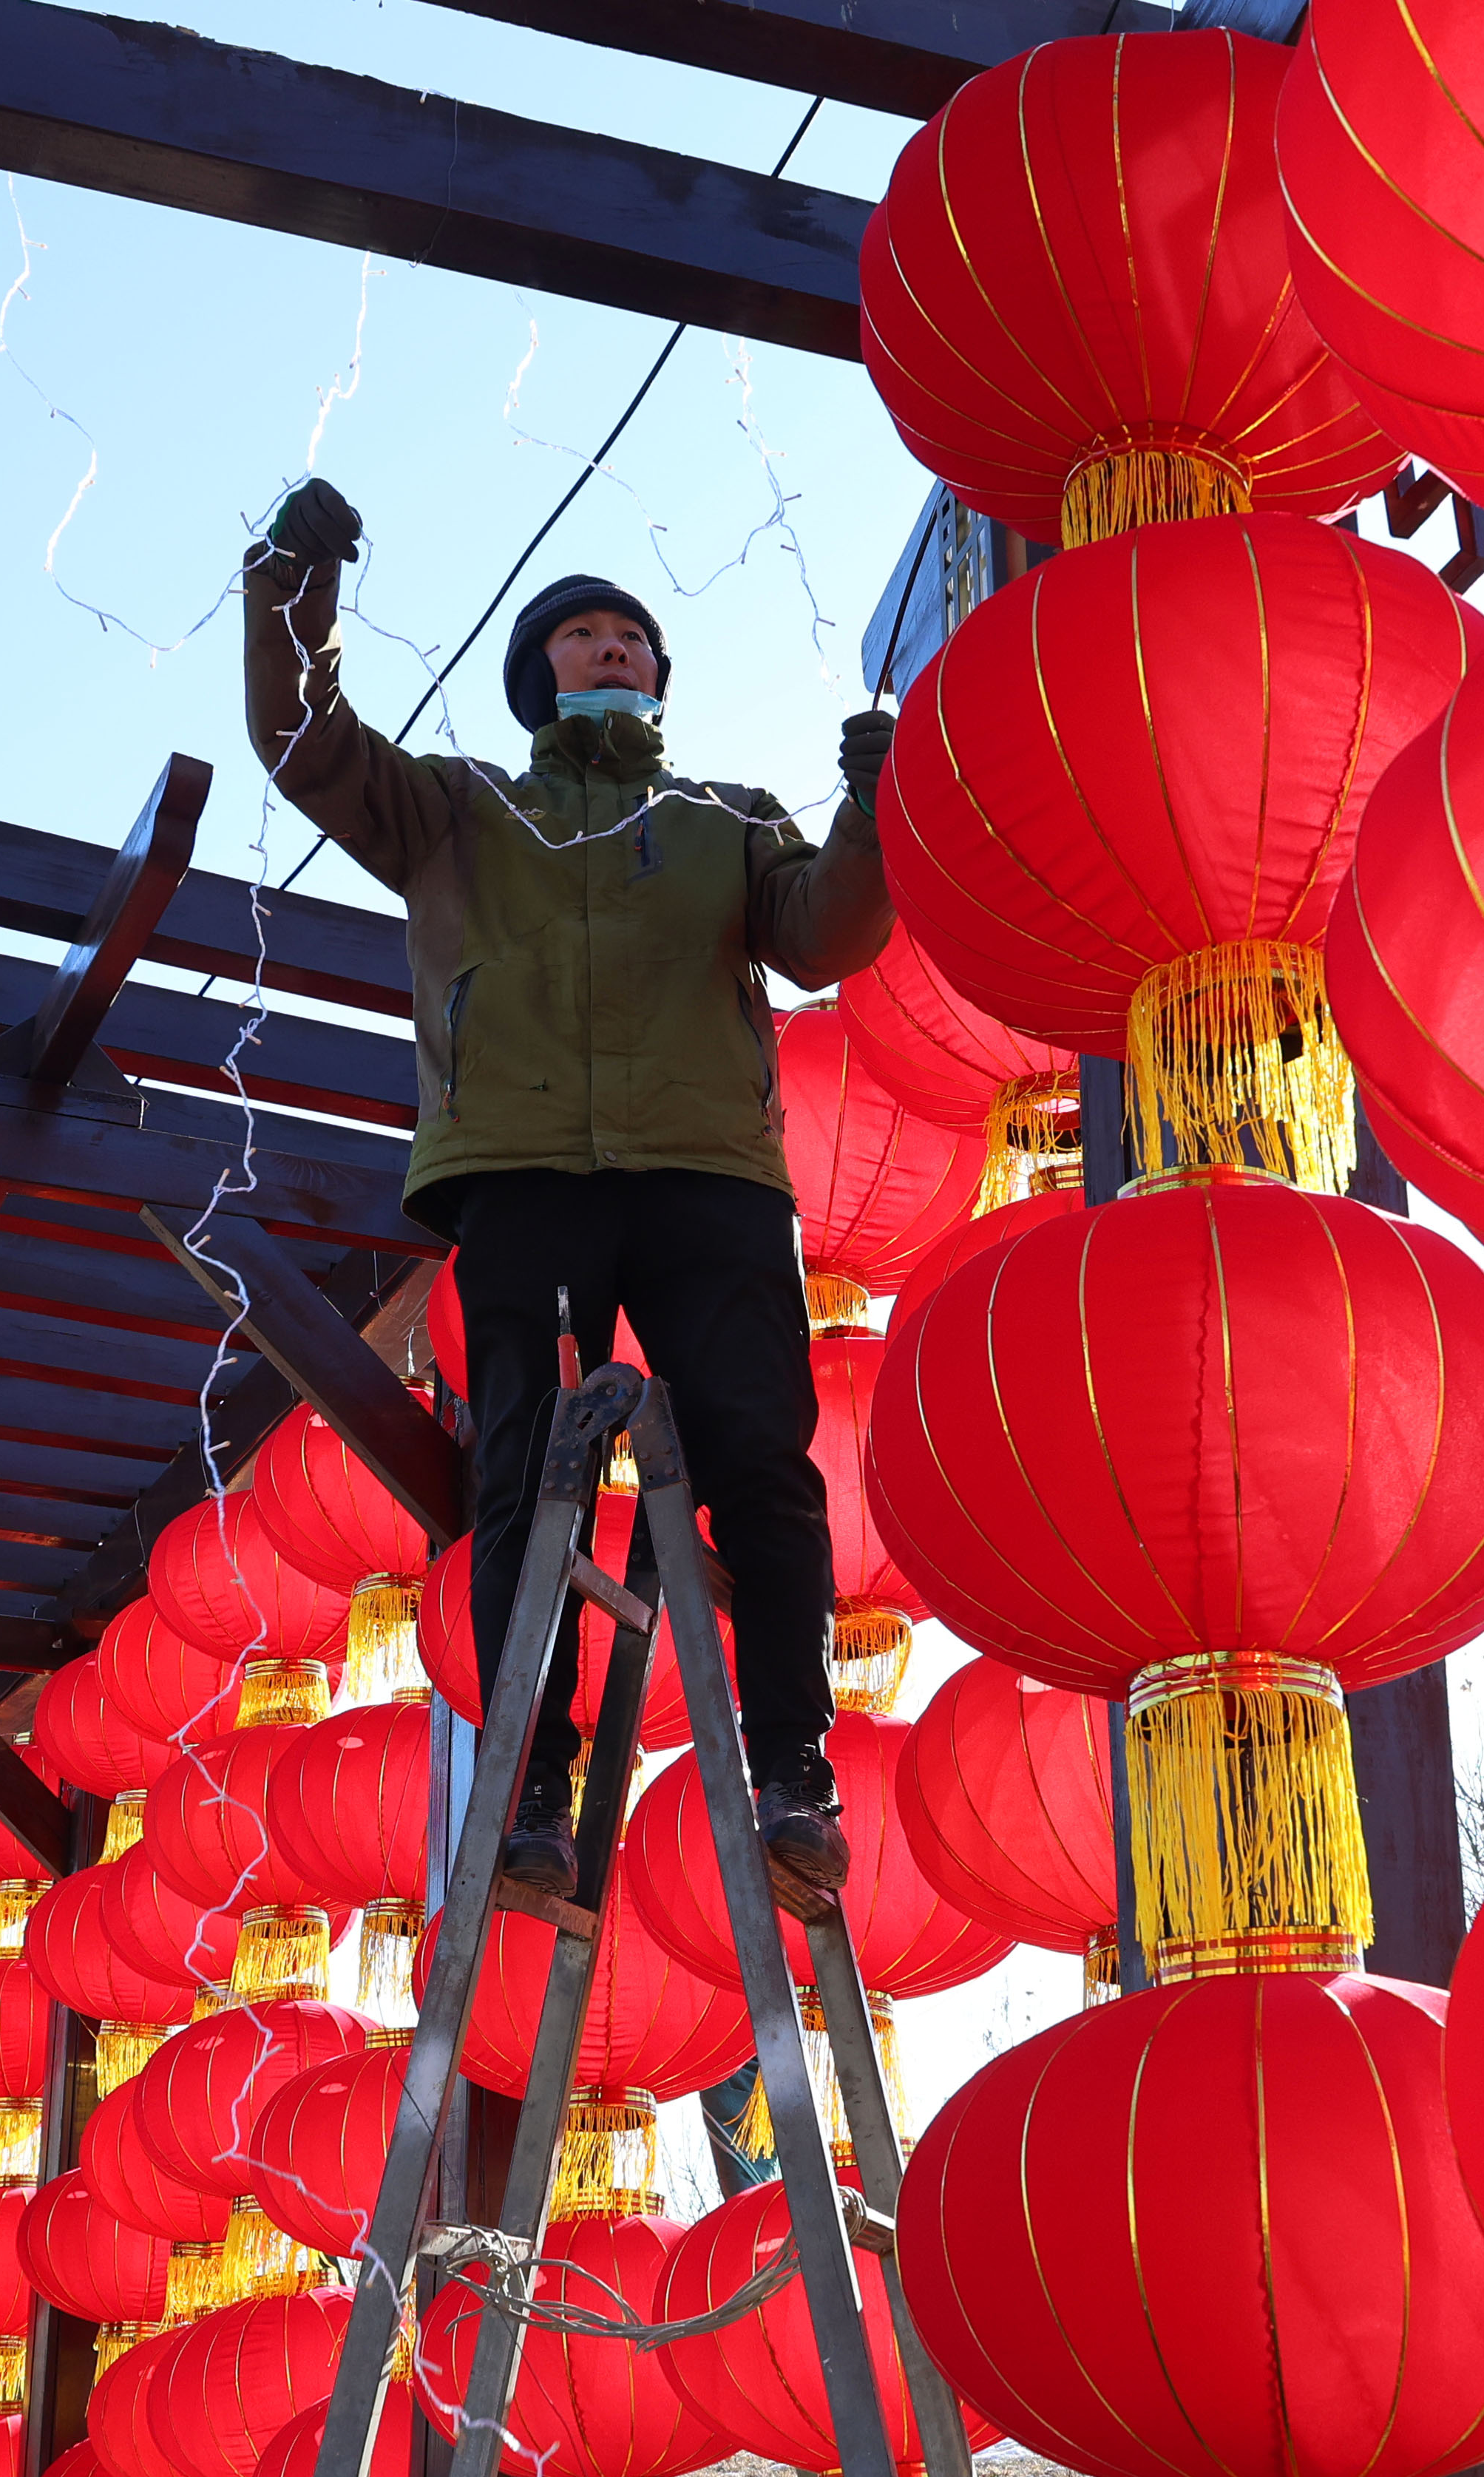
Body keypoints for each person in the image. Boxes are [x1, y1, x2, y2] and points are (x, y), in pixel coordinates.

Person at [241, 477, 894, 1896]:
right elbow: (303, 743)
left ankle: (794, 1770)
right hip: (522, 1172)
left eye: (631, 635)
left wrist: (871, 811)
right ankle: (532, 1788)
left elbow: (822, 938)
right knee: (528, 1472)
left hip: (710, 1175)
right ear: (538, 671)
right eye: (583, 632)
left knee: (763, 1465)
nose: (612, 645)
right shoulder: (458, 808)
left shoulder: (726, 817)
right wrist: (296, 590)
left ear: (657, 674)